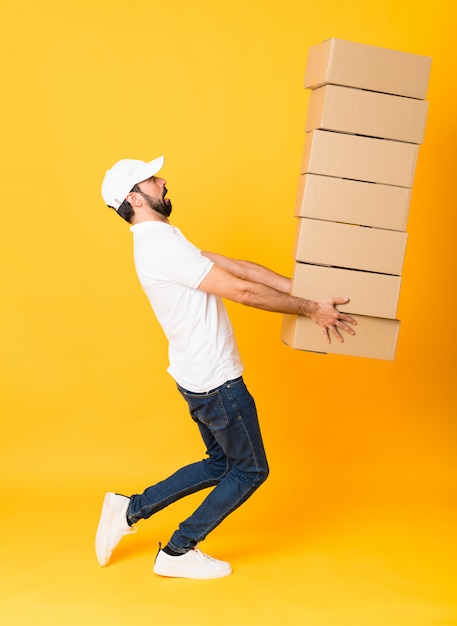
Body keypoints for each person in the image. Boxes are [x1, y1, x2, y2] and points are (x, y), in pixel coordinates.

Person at [96, 155, 356, 580]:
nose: (162, 181)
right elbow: (240, 290)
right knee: (251, 470)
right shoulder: (160, 246)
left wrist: (305, 291)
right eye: (151, 179)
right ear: (134, 198)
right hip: (217, 384)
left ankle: (130, 508)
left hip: (195, 376)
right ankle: (179, 550)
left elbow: (234, 266)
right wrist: (312, 310)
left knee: (220, 464)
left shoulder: (162, 238)